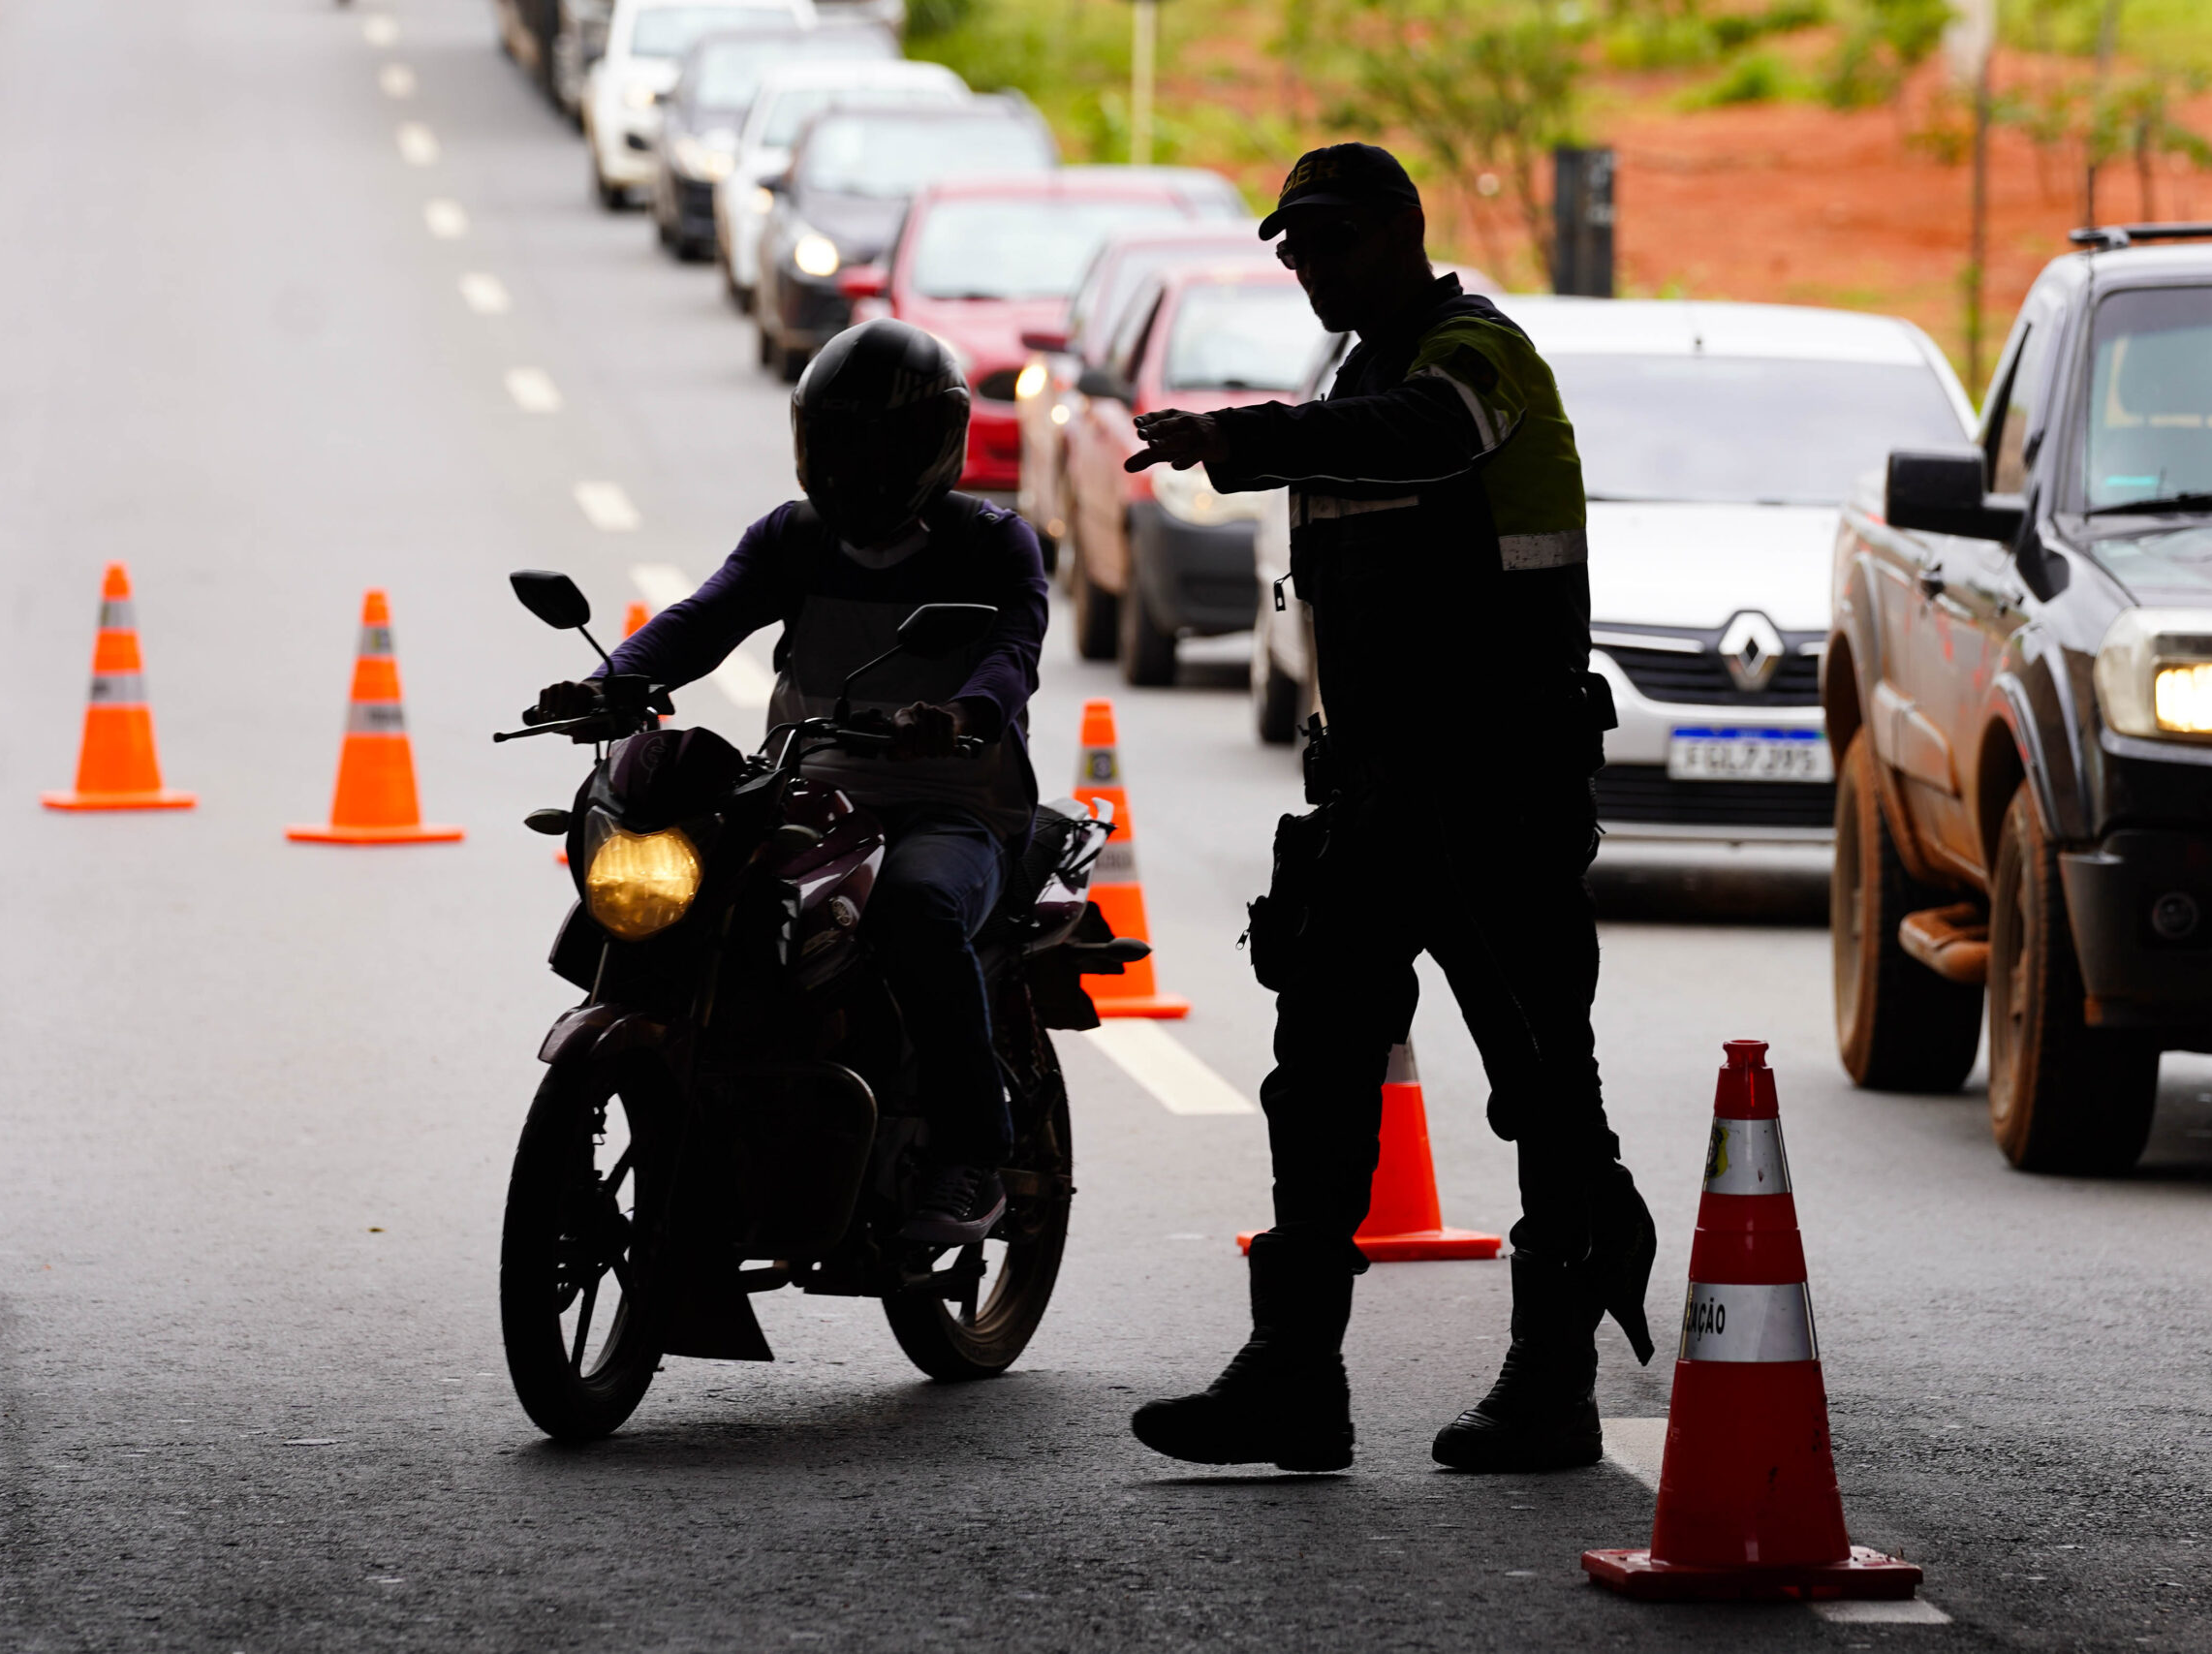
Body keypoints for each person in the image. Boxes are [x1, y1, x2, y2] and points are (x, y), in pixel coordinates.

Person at [1119, 143, 1655, 1475]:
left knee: (1542, 1088)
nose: (1307, 264)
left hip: (1497, 799)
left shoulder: (1477, 360)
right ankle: (1293, 1377)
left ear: (1406, 232)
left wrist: (1238, 438)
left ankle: (1552, 1383)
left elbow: (1428, 436)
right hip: (1377, 801)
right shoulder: (1356, 378)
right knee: (1317, 1079)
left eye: (1333, 239)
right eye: (1293, 246)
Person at [532, 319, 1047, 1246]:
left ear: (931, 445)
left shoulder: (991, 545)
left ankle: (972, 1153)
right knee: (702, 896)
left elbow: (1012, 655)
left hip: (954, 804)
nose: (855, 466)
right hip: (812, 793)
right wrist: (610, 684)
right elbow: (702, 620)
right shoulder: (794, 538)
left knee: (916, 910)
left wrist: (961, 714)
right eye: (838, 439)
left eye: (878, 443)